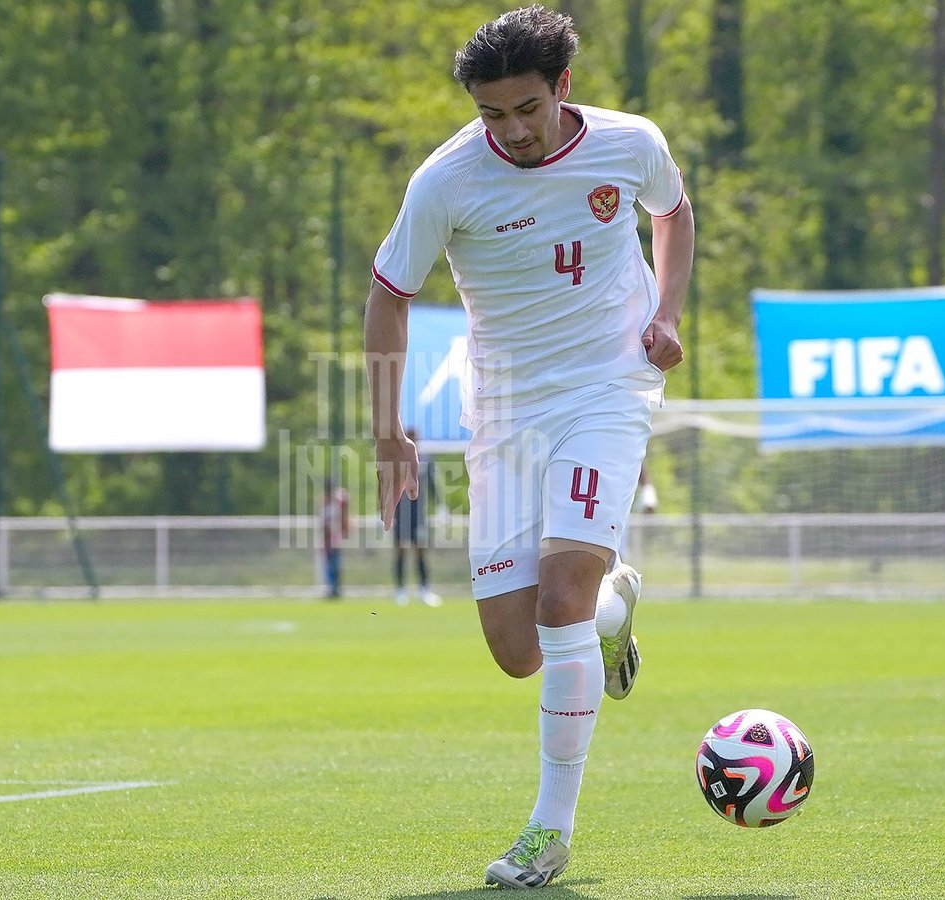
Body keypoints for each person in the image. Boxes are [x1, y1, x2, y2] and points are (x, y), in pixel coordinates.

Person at [364, 5, 693, 888]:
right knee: (517, 650)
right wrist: (387, 429)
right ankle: (614, 609)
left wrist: (665, 314)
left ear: (563, 87)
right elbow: (389, 290)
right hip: (503, 411)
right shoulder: (447, 180)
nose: (509, 130)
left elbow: (676, 212)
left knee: (558, 597)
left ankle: (550, 831)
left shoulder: (630, 144)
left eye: (525, 110)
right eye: (490, 115)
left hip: (606, 389)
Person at [392, 429, 442, 607]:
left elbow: (433, 484)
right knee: (400, 550)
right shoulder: (397, 461)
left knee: (421, 550)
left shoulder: (426, 460)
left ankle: (424, 589)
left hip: (419, 515)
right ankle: (400, 590)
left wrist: (440, 506)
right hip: (400, 514)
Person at [320, 477, 351, 599]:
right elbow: (323, 521)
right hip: (328, 538)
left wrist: (344, 531)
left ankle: (336, 587)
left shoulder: (339, 500)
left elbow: (344, 517)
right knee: (329, 564)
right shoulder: (325, 502)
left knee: (336, 563)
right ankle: (331, 587)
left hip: (336, 537)